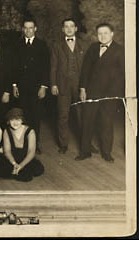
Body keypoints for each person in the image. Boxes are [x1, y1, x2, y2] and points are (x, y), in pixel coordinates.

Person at [76, 23, 125, 162]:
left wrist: (117, 93)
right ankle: (85, 151)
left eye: (105, 33)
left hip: (110, 95)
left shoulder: (119, 50)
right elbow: (85, 69)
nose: (102, 36)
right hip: (92, 92)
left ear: (112, 34)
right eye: (100, 33)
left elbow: (123, 75)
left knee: (106, 123)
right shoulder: (93, 48)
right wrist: (83, 89)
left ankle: (107, 153)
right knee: (87, 121)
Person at [10, 19, 50, 150]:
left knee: (35, 116)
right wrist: (14, 85)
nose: (28, 30)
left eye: (31, 28)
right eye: (26, 28)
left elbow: (46, 67)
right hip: (22, 87)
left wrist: (43, 87)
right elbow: (13, 67)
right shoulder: (17, 45)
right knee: (23, 115)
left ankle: (34, 144)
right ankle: (23, 143)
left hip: (36, 87)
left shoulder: (42, 45)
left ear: (35, 29)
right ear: (23, 29)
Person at [50, 18, 86, 154]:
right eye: (66, 26)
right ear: (62, 29)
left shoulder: (83, 44)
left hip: (80, 84)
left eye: (72, 26)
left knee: (82, 114)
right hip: (62, 85)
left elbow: (87, 67)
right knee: (63, 115)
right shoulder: (57, 45)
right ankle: (63, 144)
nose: (69, 29)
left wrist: (85, 86)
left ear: (76, 28)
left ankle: (86, 143)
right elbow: (53, 67)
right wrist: (53, 84)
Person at [0, 107, 44, 182]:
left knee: (36, 169)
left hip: (25, 159)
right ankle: (16, 171)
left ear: (22, 120)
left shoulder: (30, 131)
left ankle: (17, 171)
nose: (15, 123)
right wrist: (14, 163)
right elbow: (7, 151)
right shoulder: (7, 131)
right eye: (12, 120)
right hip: (12, 159)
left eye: (18, 120)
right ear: (9, 121)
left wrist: (21, 165)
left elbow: (31, 152)